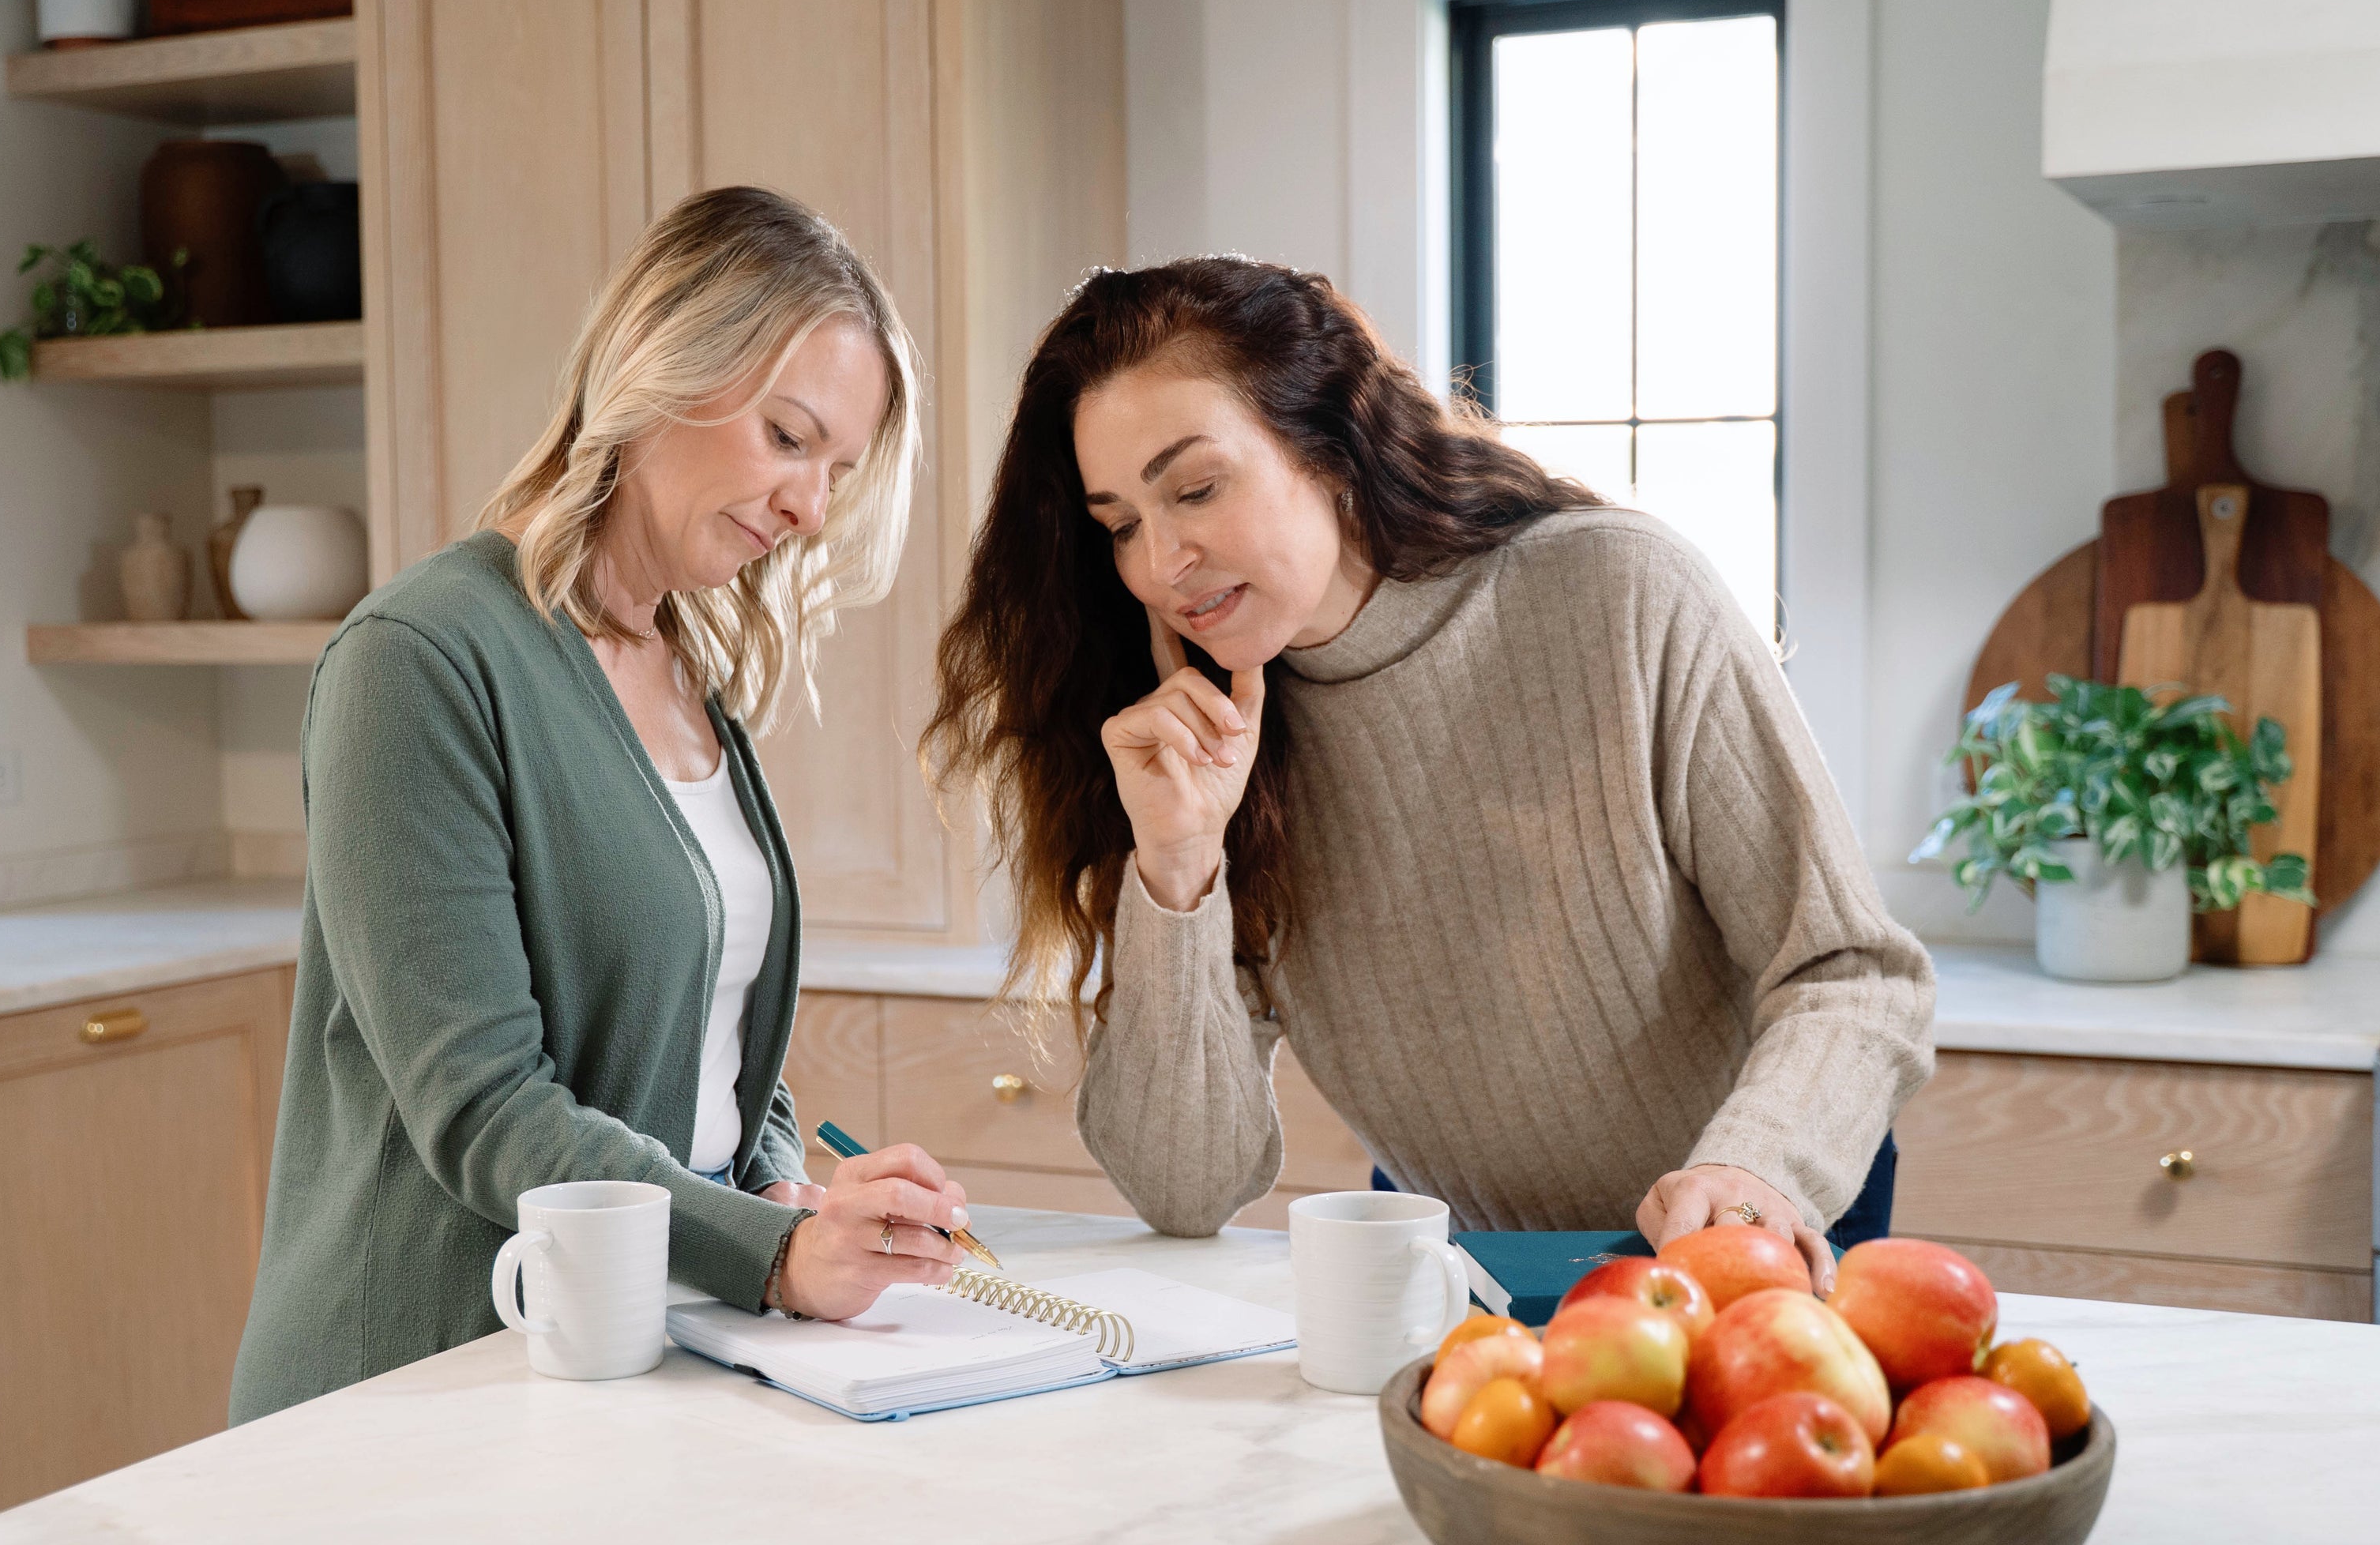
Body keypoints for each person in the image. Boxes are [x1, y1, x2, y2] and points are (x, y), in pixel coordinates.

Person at [922, 257, 1934, 1291]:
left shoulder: (1618, 597)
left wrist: (1752, 1172)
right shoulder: (1196, 744)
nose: (1161, 562)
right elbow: (1184, 1190)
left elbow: (1853, 974)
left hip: (1752, 1224)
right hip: (1481, 1271)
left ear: (1330, 449)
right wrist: (1177, 868)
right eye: (1121, 525)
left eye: (1196, 488)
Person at [232, 186, 969, 1423]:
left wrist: (784, 1196)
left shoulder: (690, 672)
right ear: (661, 371)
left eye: (838, 470)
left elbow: (721, 1053)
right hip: (421, 1387)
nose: (811, 508)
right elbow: (485, 1107)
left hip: (626, 1360)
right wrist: (774, 1258)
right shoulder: (420, 660)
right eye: (790, 439)